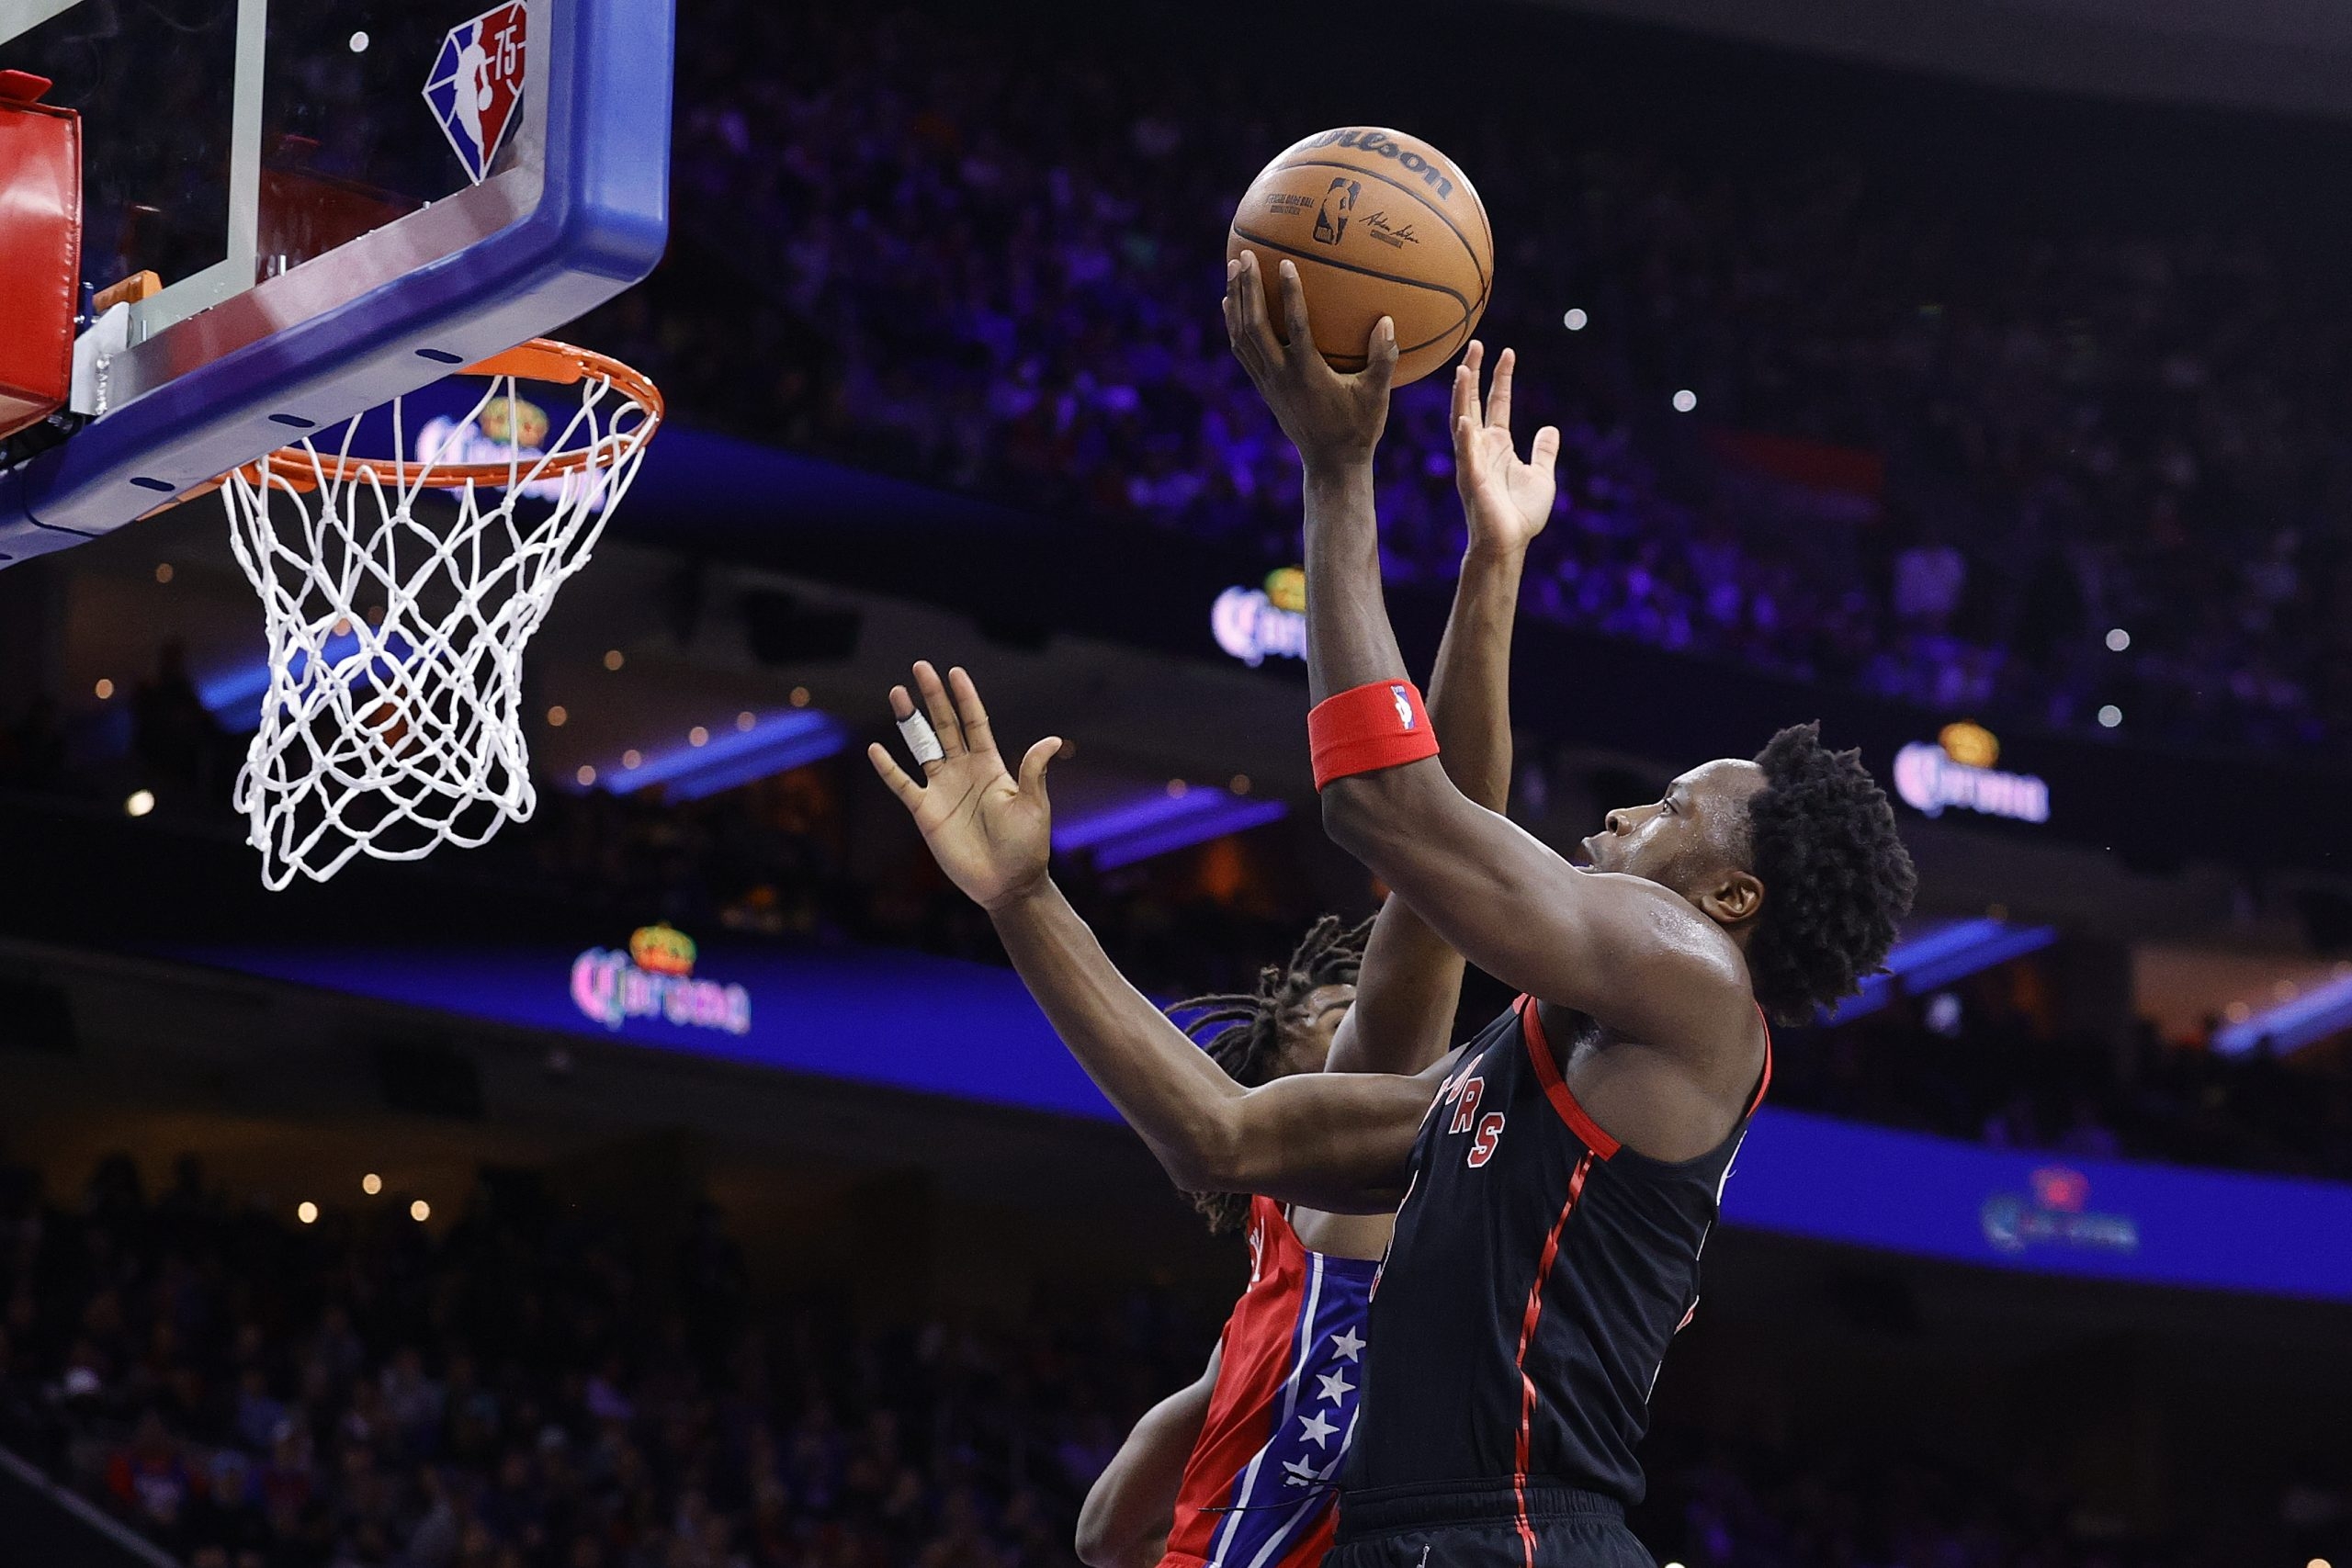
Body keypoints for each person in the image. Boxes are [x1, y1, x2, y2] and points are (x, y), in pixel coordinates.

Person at [869, 258, 1914, 1568]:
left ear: (1732, 895)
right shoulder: (1505, 1087)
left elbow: (1399, 814)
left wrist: (1337, 467)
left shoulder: (1694, 974)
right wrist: (1024, 897)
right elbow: (1221, 1137)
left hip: (1514, 1540)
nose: (1621, 818)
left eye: (1665, 811)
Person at [1064, 346, 1551, 1568]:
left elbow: (1107, 1531)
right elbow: (1450, 847)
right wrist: (1487, 565)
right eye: (1344, 1022)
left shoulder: (1268, 1304)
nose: (1388, 1027)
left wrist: (1231, 1393)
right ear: (1304, 1089)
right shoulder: (1345, 1186)